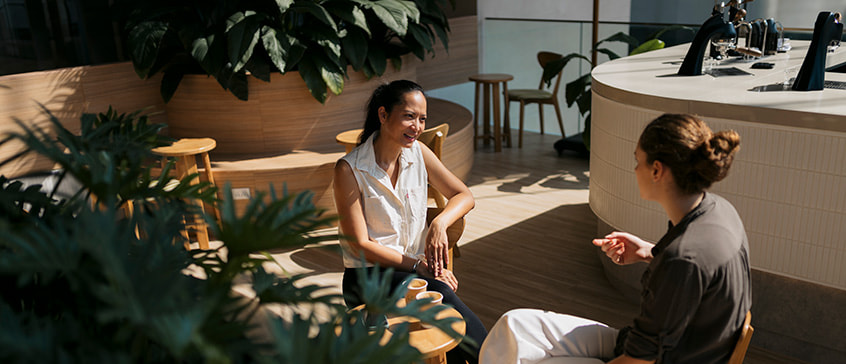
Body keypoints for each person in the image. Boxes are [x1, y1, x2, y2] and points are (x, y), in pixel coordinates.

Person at [479, 114, 751, 364]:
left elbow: (637, 362)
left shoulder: (683, 259)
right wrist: (647, 252)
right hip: (649, 346)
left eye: (637, 161)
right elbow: (697, 282)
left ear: (657, 170)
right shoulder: (718, 209)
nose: (634, 170)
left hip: (652, 359)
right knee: (513, 326)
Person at [333, 79, 487, 363]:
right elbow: (360, 246)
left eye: (422, 119)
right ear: (383, 115)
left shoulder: (418, 153)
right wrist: (420, 267)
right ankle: (493, 357)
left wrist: (439, 224)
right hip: (367, 277)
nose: (417, 126)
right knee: (439, 293)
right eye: (409, 116)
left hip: (413, 273)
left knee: (439, 305)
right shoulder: (350, 170)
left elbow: (464, 195)